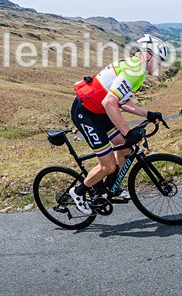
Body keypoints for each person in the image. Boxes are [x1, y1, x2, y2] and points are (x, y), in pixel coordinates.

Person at [68, 34, 168, 215]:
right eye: (159, 61)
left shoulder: (137, 70)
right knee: (108, 166)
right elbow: (109, 103)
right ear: (148, 56)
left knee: (126, 149)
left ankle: (110, 187)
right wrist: (127, 131)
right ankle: (78, 192)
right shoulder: (134, 70)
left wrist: (149, 114)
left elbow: (123, 102)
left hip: (100, 111)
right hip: (86, 113)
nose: (160, 66)